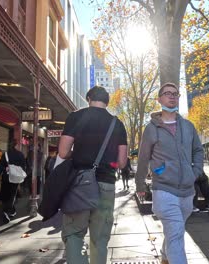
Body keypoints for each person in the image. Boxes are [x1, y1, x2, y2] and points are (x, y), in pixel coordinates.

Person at [135, 82, 204, 264]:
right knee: (175, 233)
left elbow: (198, 150)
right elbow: (143, 158)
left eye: (175, 93)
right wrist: (140, 184)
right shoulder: (151, 129)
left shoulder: (188, 126)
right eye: (167, 93)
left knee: (176, 231)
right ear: (159, 99)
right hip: (163, 189)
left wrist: (195, 172)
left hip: (187, 191)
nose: (172, 96)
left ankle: (165, 256)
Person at [58, 86, 128, 264]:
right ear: (107, 102)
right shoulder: (117, 124)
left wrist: (80, 154)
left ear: (88, 99)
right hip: (106, 185)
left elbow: (63, 152)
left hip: (79, 184)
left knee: (74, 234)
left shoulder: (75, 117)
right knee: (100, 238)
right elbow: (121, 162)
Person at [0, 139, 27, 223]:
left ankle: (9, 210)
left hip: (6, 177)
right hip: (15, 178)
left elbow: (0, 167)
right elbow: (24, 166)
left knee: (5, 193)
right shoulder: (20, 155)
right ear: (16, 145)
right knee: (12, 195)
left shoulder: (6, 154)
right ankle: (7, 211)